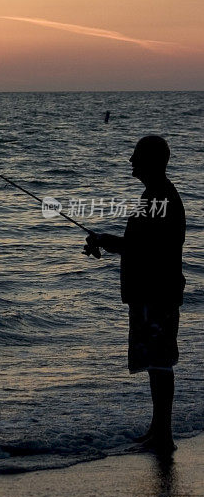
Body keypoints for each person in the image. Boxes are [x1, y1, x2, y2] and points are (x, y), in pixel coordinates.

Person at [84, 135, 185, 454]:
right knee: (157, 362)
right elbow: (139, 247)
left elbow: (142, 249)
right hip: (153, 292)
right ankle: (157, 430)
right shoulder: (154, 195)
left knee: (160, 363)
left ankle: (163, 436)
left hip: (158, 294)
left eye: (137, 155)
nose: (131, 160)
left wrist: (105, 239)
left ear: (152, 161)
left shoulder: (161, 198)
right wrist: (104, 241)